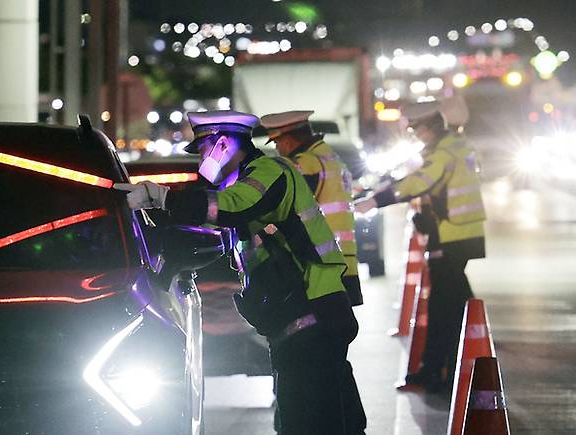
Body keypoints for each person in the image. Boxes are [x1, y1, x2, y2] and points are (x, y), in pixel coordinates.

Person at [115, 110, 365, 434]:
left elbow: (234, 205)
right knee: (321, 419)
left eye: (204, 149)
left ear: (223, 145)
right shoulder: (245, 180)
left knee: (309, 422)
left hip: (312, 312)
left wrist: (161, 197)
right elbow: (210, 229)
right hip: (302, 317)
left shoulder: (270, 172)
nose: (202, 159)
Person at [355, 100, 486, 393]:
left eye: (415, 128)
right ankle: (461, 360)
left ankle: (439, 373)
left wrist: (375, 201)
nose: (414, 134)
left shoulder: (444, 152)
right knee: (458, 302)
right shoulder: (454, 145)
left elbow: (416, 184)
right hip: (458, 233)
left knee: (443, 308)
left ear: (429, 126)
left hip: (450, 235)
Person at [260, 110, 363, 307]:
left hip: (322, 262)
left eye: (276, 143)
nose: (278, 148)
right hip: (342, 260)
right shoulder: (330, 158)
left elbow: (281, 200)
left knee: (318, 331)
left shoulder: (307, 163)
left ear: (287, 139)